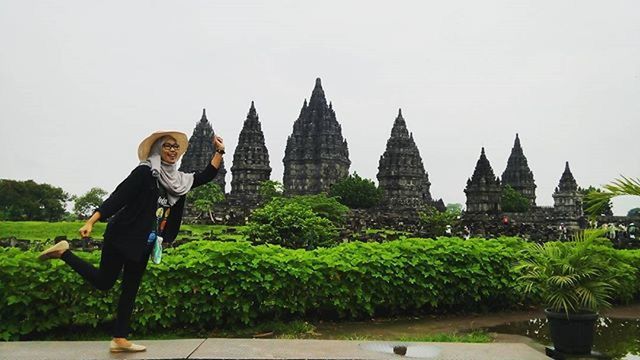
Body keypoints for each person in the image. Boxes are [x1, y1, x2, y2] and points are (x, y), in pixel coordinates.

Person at [37, 130, 224, 352]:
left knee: (130, 289)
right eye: (167, 146)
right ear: (157, 149)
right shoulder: (145, 173)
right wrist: (91, 221)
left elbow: (205, 175)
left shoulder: (179, 180)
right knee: (104, 282)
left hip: (146, 240)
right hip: (122, 234)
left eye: (175, 147)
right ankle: (64, 252)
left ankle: (119, 338)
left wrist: (219, 150)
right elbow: (119, 196)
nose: (172, 151)